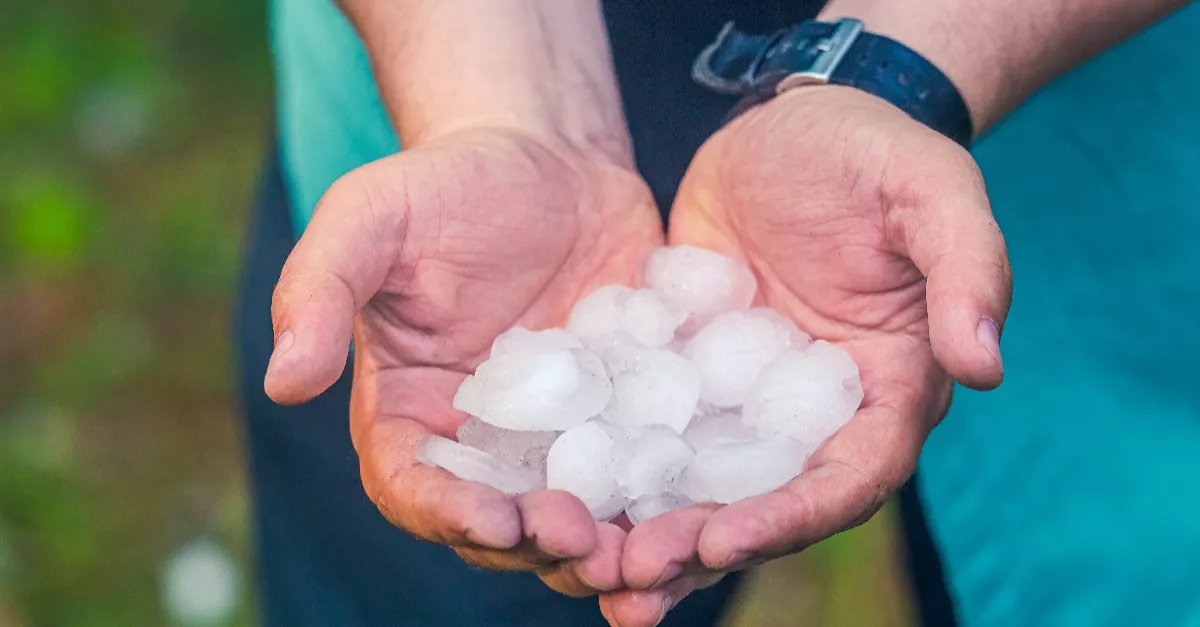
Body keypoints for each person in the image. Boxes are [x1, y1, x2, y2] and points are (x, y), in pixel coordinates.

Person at [235, 1, 1199, 626]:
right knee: (443, 594)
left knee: (1086, 564)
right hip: (453, 71)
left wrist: (901, 71)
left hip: (1082, 131)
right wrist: (497, 103)